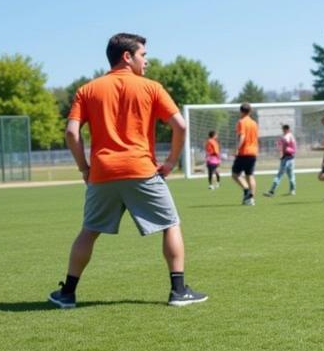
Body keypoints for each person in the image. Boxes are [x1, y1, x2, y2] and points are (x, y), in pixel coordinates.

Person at [49, 32, 207, 309]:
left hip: (102, 172)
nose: (146, 61)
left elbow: (72, 133)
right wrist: (170, 162)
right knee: (170, 225)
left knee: (89, 231)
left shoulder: (87, 90)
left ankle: (68, 293)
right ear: (127, 56)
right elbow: (180, 126)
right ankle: (179, 291)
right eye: (143, 55)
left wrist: (84, 168)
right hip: (141, 169)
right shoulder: (151, 88)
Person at [232, 103, 259, 206]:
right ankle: (251, 199)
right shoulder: (254, 123)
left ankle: (246, 190)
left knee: (235, 174)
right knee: (250, 175)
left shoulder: (241, 122)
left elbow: (242, 136)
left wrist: (237, 149)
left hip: (244, 152)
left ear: (241, 111)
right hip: (253, 151)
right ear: (250, 111)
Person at [265, 123, 297, 197]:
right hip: (292, 158)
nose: (282, 130)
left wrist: (280, 146)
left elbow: (285, 142)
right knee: (291, 175)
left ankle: (272, 191)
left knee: (279, 175)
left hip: (286, 158)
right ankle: (292, 190)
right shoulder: (291, 136)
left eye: (283, 129)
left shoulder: (286, 136)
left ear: (285, 129)